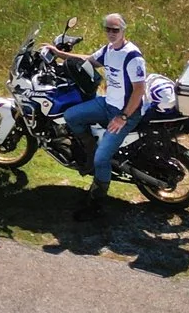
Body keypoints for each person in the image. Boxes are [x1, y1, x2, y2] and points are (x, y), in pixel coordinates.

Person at [55, 12, 147, 219]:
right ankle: (89, 149)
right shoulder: (109, 50)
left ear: (123, 30)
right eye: (108, 29)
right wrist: (58, 53)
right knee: (71, 116)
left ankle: (95, 204)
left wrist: (123, 117)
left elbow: (139, 90)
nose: (111, 33)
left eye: (115, 30)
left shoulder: (132, 56)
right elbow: (88, 60)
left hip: (126, 113)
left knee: (102, 158)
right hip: (107, 103)